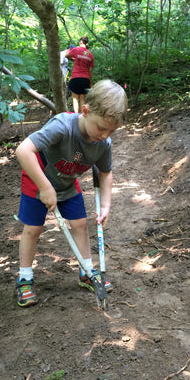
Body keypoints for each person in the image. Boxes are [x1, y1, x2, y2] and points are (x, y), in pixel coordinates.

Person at [15, 79, 128, 307]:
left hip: (67, 183)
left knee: (81, 225)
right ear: (85, 111)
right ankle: (24, 278)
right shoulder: (62, 126)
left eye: (111, 131)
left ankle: (87, 271)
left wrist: (106, 205)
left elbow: (105, 173)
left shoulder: (103, 144)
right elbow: (23, 150)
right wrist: (45, 187)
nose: (105, 135)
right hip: (39, 178)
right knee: (33, 229)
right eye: (101, 128)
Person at [65, 36, 94, 113]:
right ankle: (82, 117)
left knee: (75, 99)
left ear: (80, 42)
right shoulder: (90, 55)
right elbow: (90, 71)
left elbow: (66, 55)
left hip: (75, 77)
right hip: (85, 79)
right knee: (82, 99)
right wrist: (90, 82)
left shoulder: (76, 50)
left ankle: (76, 116)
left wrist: (73, 59)